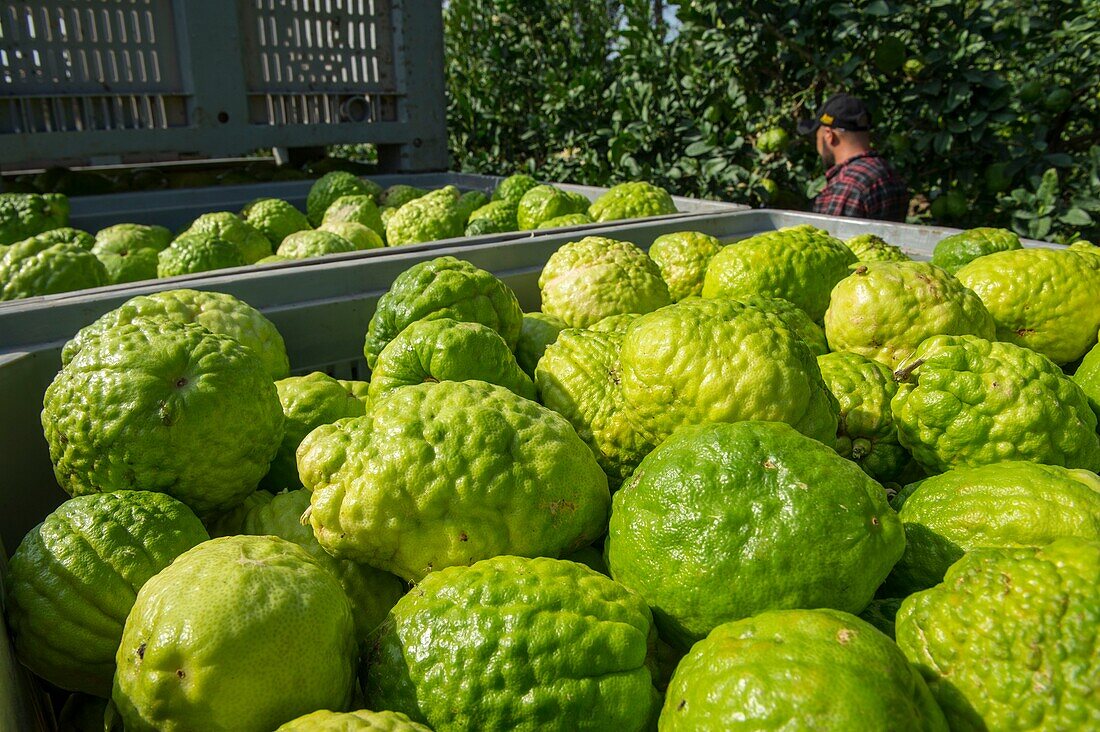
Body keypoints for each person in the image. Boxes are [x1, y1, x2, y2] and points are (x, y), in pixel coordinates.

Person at [797, 93, 908, 222]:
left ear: (829, 135)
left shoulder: (847, 185)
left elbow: (826, 237)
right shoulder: (888, 172)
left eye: (816, 136)